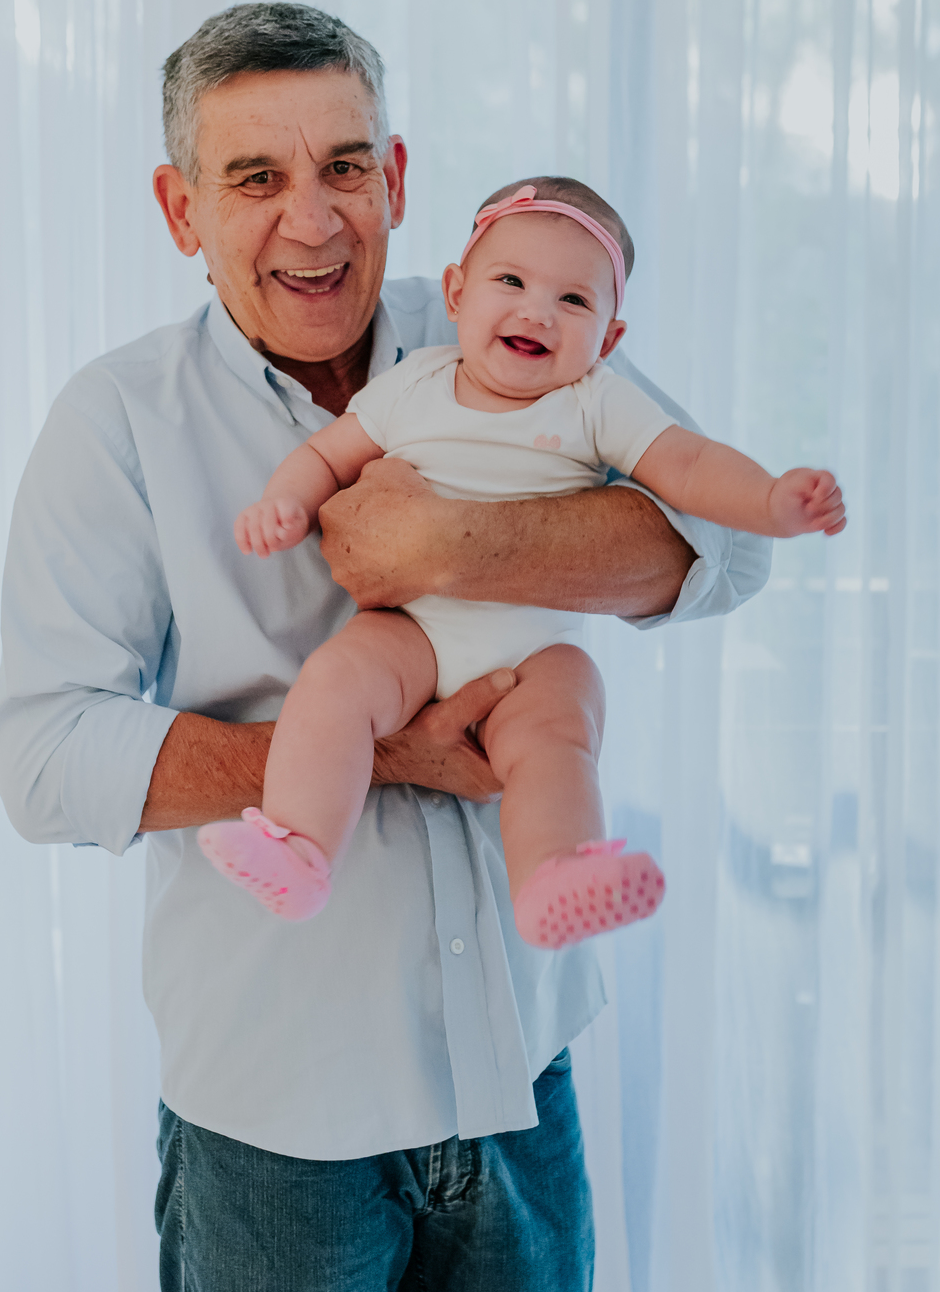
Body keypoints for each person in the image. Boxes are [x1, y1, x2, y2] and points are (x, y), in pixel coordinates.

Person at [0, 1, 772, 1292]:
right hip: (274, 1127)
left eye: (345, 167)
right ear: (181, 209)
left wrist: (452, 543)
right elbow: (44, 753)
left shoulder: (520, 316)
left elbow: (727, 543)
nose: (315, 220)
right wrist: (387, 752)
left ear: (399, 180)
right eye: (255, 178)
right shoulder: (117, 422)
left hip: (519, 1083)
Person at [206, 180, 844, 947]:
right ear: (456, 291)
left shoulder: (594, 402)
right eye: (510, 281)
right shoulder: (415, 383)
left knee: (558, 734)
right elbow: (327, 453)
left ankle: (558, 876)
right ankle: (301, 847)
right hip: (411, 631)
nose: (538, 311)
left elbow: (691, 466)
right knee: (333, 686)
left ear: (609, 338)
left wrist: (773, 501)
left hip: (534, 649)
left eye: (574, 300)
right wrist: (287, 504)